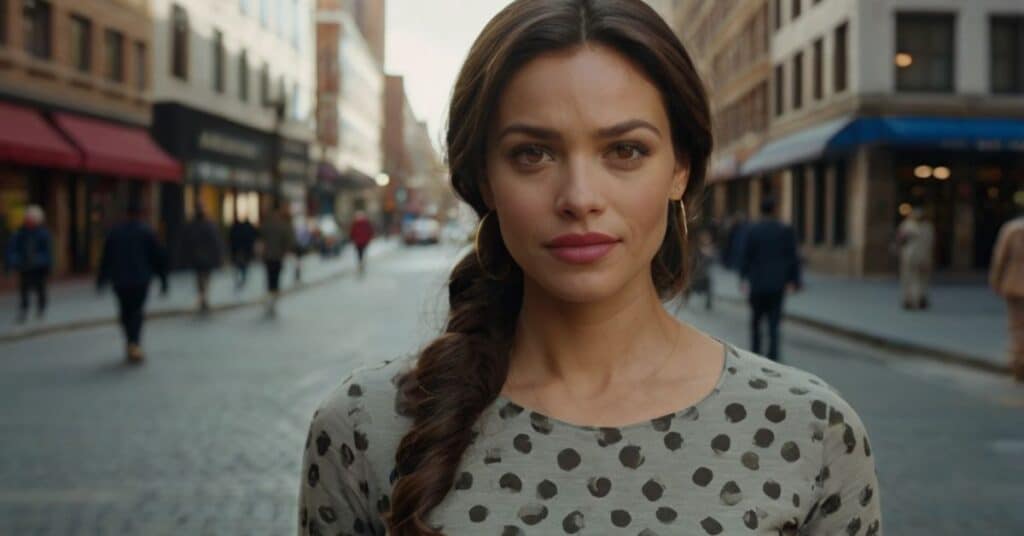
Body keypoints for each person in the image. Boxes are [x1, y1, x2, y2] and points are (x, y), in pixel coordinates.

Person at [298, 2, 881, 535]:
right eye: (534, 153)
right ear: (484, 180)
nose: (580, 196)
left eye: (624, 150)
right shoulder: (364, 428)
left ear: (680, 168)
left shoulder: (809, 432)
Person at [96, 200, 168, 363]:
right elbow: (158, 257)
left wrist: (101, 279)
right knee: (136, 311)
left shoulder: (116, 232)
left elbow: (106, 258)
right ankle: (134, 342)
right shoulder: (146, 232)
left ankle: (131, 340)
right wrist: (163, 280)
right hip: (140, 279)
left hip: (120, 280)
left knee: (125, 311)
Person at [740, 197, 802, 362]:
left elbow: (745, 256)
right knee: (774, 323)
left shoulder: (753, 230)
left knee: (756, 321)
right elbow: (792, 257)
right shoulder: (785, 230)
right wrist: (794, 281)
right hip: (777, 283)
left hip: (757, 283)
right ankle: (773, 356)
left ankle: (755, 353)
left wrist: (743, 279)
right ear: (774, 210)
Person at [989, 214, 1024, 382]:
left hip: (1015, 282)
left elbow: (1000, 257)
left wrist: (995, 281)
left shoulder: (1012, 229)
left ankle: (1019, 362)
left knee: (1017, 326)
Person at [5, 205, 52, 323]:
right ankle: (24, 310)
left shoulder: (43, 234)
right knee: (24, 289)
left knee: (40, 288)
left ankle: (41, 308)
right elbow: (12, 248)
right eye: (28, 218)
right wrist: (14, 261)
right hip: (25, 266)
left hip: (38, 267)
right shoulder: (20, 233)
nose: (29, 221)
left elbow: (47, 252)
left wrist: (43, 262)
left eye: (31, 219)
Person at [178, 206, 223, 313]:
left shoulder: (192, 227)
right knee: (205, 277)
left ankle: (202, 296)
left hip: (196, 257)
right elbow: (216, 243)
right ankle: (204, 296)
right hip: (207, 257)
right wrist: (219, 256)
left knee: (199, 276)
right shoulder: (209, 227)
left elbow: (186, 243)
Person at [259, 204, 295, 317]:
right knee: (276, 278)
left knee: (269, 277)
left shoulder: (266, 224)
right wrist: (286, 251)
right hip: (278, 256)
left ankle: (270, 297)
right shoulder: (283, 225)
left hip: (268, 256)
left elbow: (260, 238)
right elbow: (289, 241)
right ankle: (272, 299)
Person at [895, 207, 934, 310]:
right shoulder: (928, 227)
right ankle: (919, 298)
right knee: (920, 279)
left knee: (911, 278)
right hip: (923, 256)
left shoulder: (907, 225)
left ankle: (912, 300)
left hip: (911, 256)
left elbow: (900, 239)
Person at [228, 217, 259, 291]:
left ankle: (240, 277)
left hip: (238, 249)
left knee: (239, 264)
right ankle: (242, 276)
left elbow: (230, 239)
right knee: (243, 264)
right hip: (245, 249)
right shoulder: (247, 228)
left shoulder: (235, 229)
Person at [349, 210, 375, 275]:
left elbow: (352, 232)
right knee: (361, 252)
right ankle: (361, 262)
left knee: (360, 252)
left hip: (359, 241)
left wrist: (352, 238)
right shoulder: (362, 223)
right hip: (361, 241)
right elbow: (370, 231)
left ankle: (360, 262)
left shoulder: (358, 223)